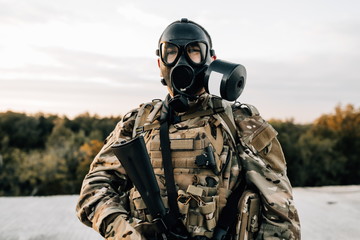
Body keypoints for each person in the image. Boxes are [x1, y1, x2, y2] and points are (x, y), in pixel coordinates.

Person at [76, 18, 301, 240]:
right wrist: (126, 234)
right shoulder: (136, 123)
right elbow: (92, 192)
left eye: (194, 50)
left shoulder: (240, 122)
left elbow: (281, 211)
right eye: (171, 51)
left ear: (211, 59)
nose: (182, 60)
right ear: (159, 63)